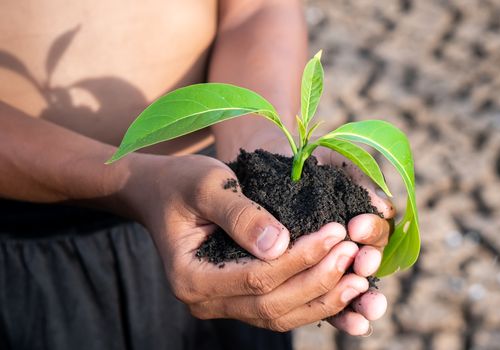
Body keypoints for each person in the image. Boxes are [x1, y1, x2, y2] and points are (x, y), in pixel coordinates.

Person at [0, 0, 394, 349]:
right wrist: (129, 178)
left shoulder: (232, 191)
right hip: (29, 236)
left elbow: (255, 8)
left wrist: (263, 146)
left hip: (211, 199)